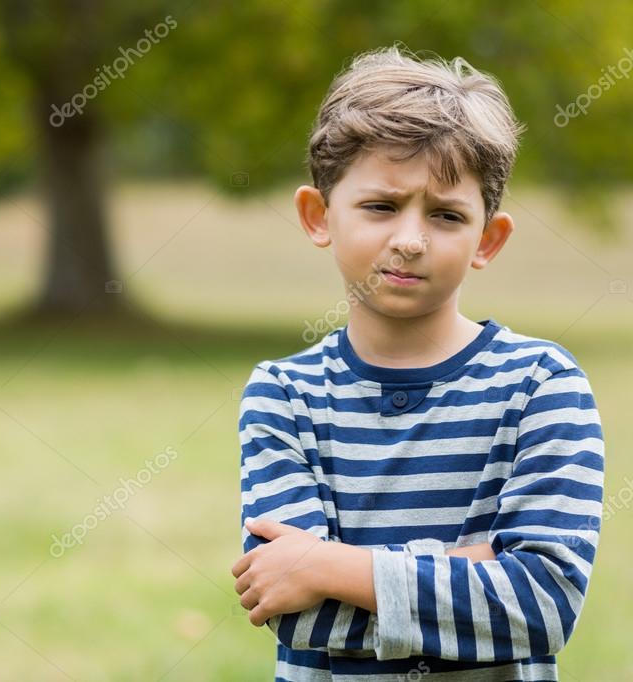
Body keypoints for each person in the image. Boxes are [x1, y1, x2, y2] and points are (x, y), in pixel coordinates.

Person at [230, 44, 605, 681]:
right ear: (318, 217)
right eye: (381, 206)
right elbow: (296, 615)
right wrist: (480, 569)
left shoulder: (542, 385)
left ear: (488, 238)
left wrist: (329, 567)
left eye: (446, 215)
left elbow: (542, 607)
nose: (410, 239)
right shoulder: (283, 394)